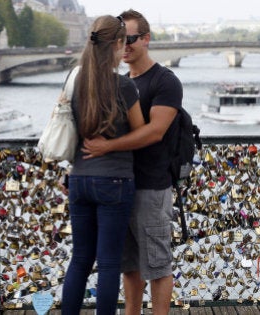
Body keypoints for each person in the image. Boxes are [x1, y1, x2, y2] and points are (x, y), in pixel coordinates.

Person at [81, 9, 183, 315]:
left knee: (158, 264)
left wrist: (106, 147)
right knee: (129, 266)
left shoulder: (166, 81)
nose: (125, 45)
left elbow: (155, 132)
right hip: (120, 186)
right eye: (120, 39)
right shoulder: (122, 83)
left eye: (132, 38)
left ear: (147, 39)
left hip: (151, 185)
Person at [60, 15, 144, 315]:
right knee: (108, 263)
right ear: (119, 45)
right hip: (115, 181)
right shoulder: (123, 85)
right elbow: (141, 132)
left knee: (80, 259)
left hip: (79, 179)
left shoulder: (75, 80)